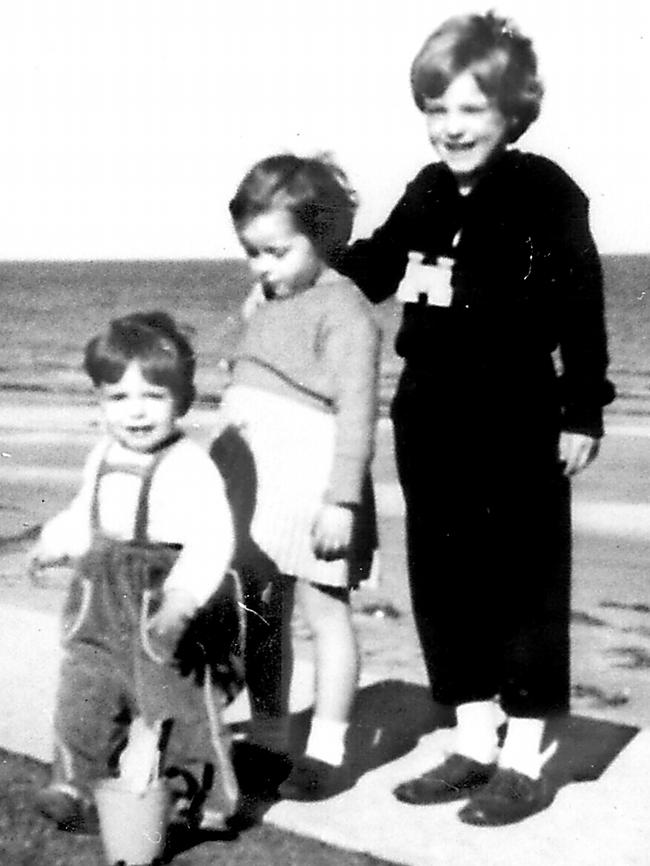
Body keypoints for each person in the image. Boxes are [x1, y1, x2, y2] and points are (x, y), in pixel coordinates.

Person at [336, 12, 615, 826]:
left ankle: (525, 759)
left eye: (469, 110)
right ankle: (472, 736)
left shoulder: (546, 192)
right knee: (444, 576)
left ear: (513, 112)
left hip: (517, 412)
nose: (451, 127)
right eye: (437, 109)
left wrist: (582, 408)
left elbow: (583, 307)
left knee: (521, 584)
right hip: (429, 410)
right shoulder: (424, 192)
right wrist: (303, 287)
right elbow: (375, 268)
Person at [30, 311, 244, 833]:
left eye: (154, 396)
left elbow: (213, 538)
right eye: (119, 398)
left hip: (161, 604)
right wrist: (54, 543)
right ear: (100, 401)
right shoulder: (102, 454)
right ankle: (75, 784)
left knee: (176, 706)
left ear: (183, 399)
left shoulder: (190, 466)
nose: (137, 412)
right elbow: (87, 513)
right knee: (84, 694)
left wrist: (183, 596)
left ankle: (197, 800)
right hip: (97, 604)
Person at [213, 153, 380, 801]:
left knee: (325, 614)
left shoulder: (346, 311)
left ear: (325, 234)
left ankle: (330, 752)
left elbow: (358, 414)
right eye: (251, 253)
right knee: (261, 614)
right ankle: (268, 738)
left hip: (315, 489)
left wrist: (342, 501)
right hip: (255, 485)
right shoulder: (268, 298)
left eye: (276, 252)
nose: (261, 267)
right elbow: (246, 367)